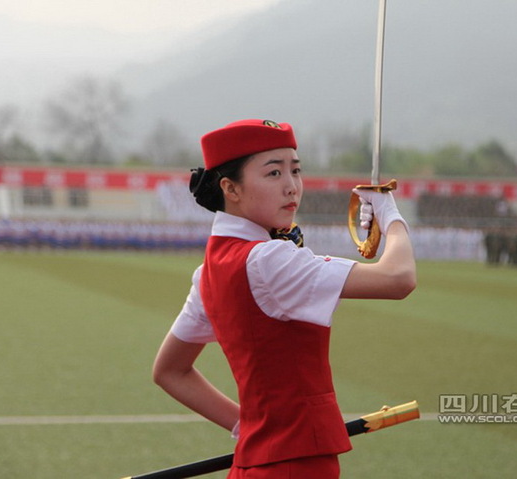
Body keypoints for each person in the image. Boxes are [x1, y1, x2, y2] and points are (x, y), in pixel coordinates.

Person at [152, 119, 416, 478]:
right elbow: (398, 278)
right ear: (231, 188)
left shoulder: (210, 271)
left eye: (296, 171)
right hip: (298, 466)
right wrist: (392, 216)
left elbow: (170, 371)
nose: (292, 187)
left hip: (257, 463)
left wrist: (245, 426)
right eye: (274, 174)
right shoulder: (267, 259)